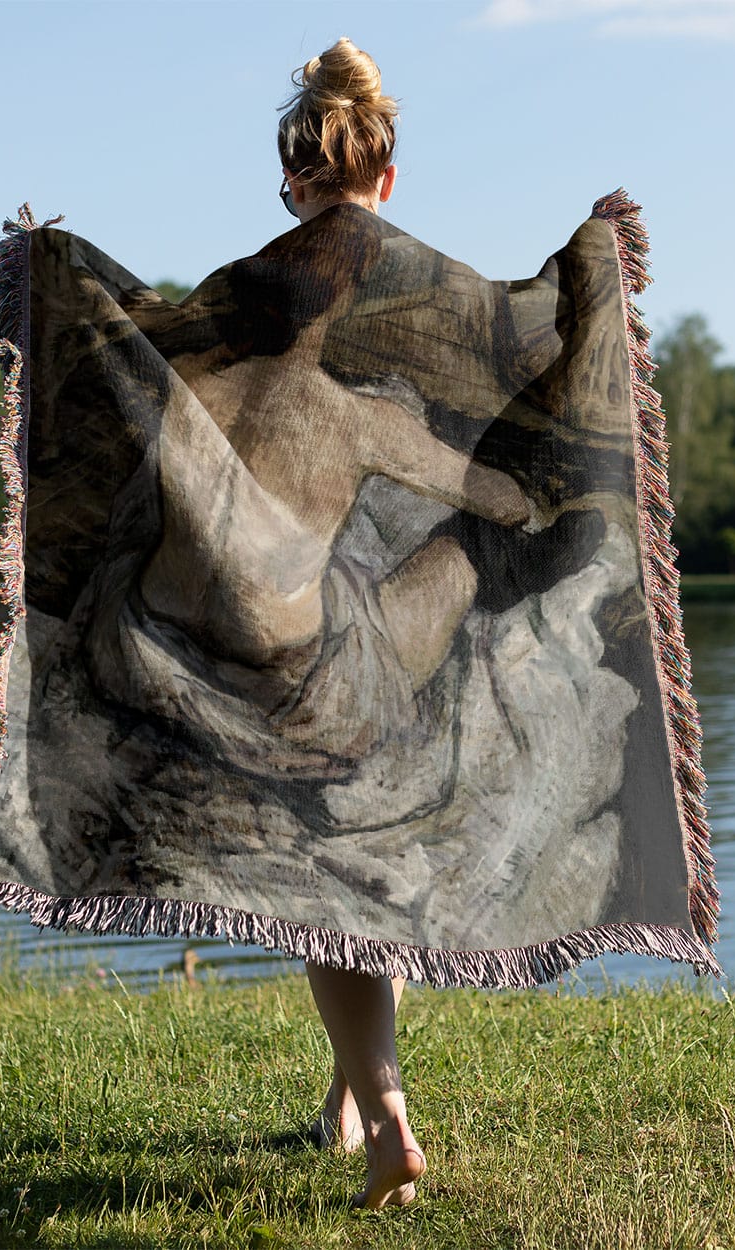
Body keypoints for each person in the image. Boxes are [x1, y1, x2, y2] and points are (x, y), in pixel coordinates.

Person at [275, 36, 428, 1211]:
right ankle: (343, 1100)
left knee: (321, 881)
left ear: (295, 188)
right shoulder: (436, 294)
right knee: (364, 870)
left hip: (306, 622)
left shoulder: (266, 293)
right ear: (385, 177)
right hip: (406, 625)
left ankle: (384, 1115)